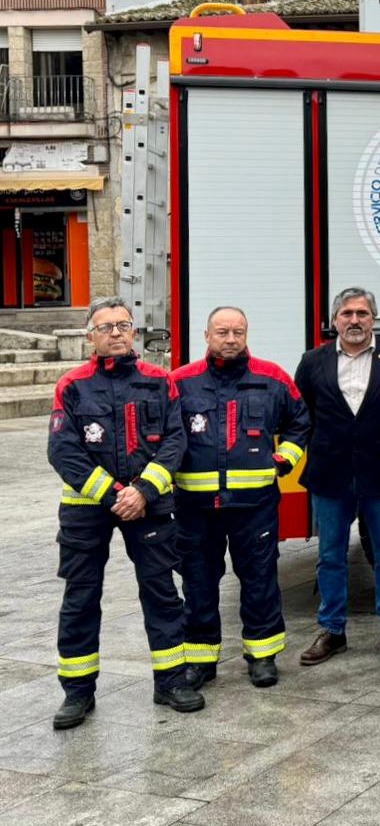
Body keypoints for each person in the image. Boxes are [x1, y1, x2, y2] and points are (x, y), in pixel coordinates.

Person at [48, 296, 201, 730]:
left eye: (123, 324)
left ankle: (170, 681)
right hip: (88, 511)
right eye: (105, 326)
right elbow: (63, 451)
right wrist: (116, 494)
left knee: (162, 592)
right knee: (80, 598)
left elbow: (175, 441)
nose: (115, 332)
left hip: (148, 506)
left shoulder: (160, 380)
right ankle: (78, 692)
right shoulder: (72, 385)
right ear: (90, 337)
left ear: (134, 331)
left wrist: (144, 491)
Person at [172, 307, 311, 689]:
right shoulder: (181, 382)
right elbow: (164, 434)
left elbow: (301, 423)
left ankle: (262, 656)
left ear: (247, 334)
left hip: (255, 506)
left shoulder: (273, 378)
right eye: (222, 332)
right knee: (198, 584)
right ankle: (200, 660)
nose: (230, 339)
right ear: (206, 335)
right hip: (196, 508)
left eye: (238, 331)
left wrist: (284, 460)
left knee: (260, 580)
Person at [294, 287, 380, 666]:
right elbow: (302, 415)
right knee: (330, 555)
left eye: (362, 313)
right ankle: (332, 630)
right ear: (334, 321)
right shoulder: (313, 361)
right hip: (330, 474)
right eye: (346, 313)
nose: (354, 320)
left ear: (373, 318)